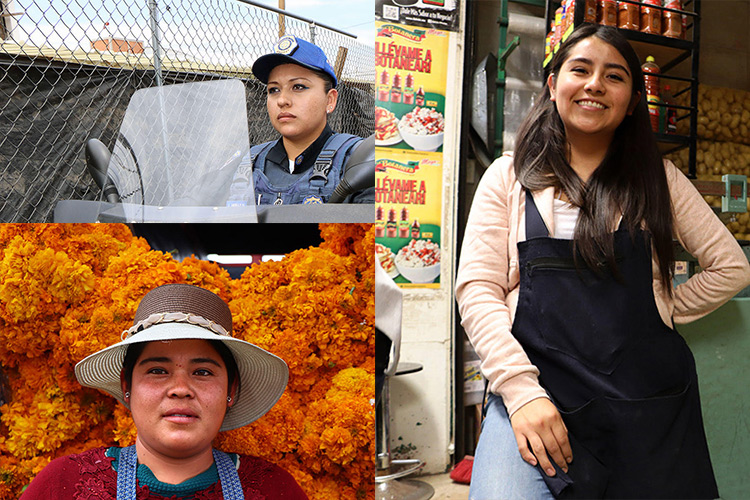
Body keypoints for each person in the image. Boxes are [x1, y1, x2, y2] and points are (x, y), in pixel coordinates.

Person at [455, 24, 750, 499]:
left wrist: (663, 306)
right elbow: (478, 290)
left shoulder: (661, 180)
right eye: (581, 70)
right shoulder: (508, 176)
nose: (595, 84)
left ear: (632, 100)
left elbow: (730, 266)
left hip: (646, 405)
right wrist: (520, 391)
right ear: (553, 86)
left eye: (614, 76)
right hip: (539, 398)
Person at [21, 283, 308, 499]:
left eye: (203, 372)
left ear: (230, 390)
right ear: (126, 386)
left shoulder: (275, 488)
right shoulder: (62, 484)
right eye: (158, 371)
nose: (181, 389)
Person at [229, 35, 373, 206]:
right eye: (274, 89)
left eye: (298, 87)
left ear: (330, 100)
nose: (282, 100)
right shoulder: (247, 164)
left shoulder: (358, 162)